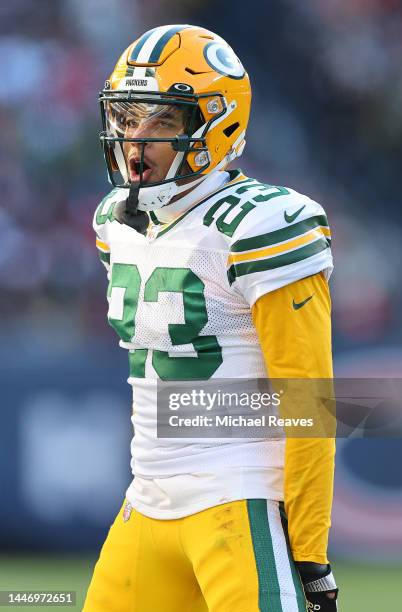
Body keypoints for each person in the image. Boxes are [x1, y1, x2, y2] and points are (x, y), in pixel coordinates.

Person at [84, 24, 338, 612]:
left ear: (216, 126)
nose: (135, 141)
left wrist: (311, 556)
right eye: (126, 119)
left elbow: (308, 399)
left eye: (162, 122)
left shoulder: (263, 224)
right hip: (145, 497)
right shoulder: (115, 221)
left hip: (239, 497)